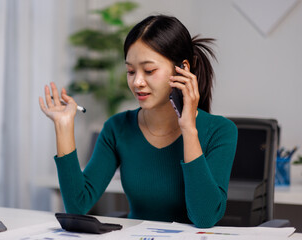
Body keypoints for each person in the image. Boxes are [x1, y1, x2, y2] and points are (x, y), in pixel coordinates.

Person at [39, 15, 238, 228]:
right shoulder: (117, 128)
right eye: (131, 71)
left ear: (182, 70)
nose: (137, 82)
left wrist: (188, 128)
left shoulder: (221, 131)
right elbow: (77, 205)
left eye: (149, 71)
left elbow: (205, 218)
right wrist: (63, 125)